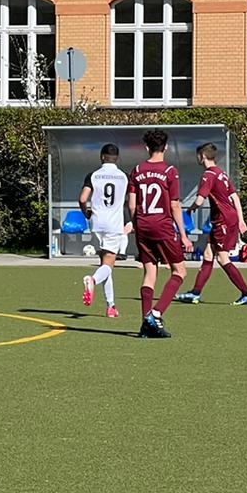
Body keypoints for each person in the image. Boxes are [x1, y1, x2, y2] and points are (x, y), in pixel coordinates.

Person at [128, 128, 189, 339]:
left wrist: (137, 224)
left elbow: (132, 205)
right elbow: (175, 205)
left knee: (150, 272)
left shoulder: (137, 170)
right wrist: (183, 234)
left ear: (147, 147)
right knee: (179, 271)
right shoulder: (170, 171)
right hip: (162, 226)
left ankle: (145, 325)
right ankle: (155, 314)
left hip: (143, 225)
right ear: (166, 147)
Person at [176, 143, 247, 307]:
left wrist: (189, 209)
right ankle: (195, 293)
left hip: (223, 221)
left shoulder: (208, 175)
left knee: (222, 258)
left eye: (198, 155)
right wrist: (241, 219)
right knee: (208, 254)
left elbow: (199, 200)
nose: (197, 158)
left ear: (202, 156)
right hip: (227, 218)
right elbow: (235, 197)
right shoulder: (221, 173)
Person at [77, 143, 130, 319]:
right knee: (108, 265)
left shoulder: (93, 175)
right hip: (114, 224)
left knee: (105, 265)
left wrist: (86, 213)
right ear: (117, 158)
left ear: (101, 157)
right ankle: (92, 280)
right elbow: (131, 202)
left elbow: (83, 198)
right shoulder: (124, 177)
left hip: (97, 223)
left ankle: (111, 306)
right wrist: (132, 221)